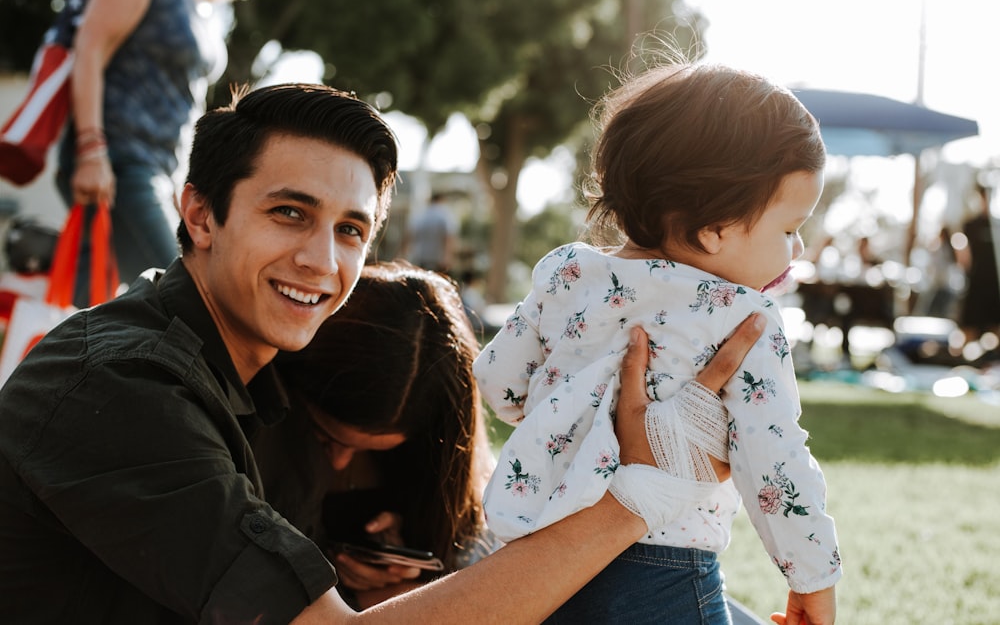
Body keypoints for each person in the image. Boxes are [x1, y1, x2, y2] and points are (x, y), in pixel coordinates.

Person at [0, 81, 768, 624]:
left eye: (350, 231)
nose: (320, 260)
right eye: (288, 212)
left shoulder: (255, 375)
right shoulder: (123, 381)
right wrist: (636, 497)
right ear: (200, 214)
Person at [474, 63, 842, 625]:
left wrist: (571, 421)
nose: (795, 250)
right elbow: (776, 458)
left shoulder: (567, 273)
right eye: (789, 229)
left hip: (541, 558)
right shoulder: (743, 318)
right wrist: (813, 581)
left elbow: (498, 381)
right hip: (661, 573)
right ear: (714, 227)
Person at [253, 261, 500, 609]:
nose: (339, 462)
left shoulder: (452, 479)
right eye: (326, 437)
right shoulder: (253, 437)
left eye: (374, 452)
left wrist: (406, 558)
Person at [56, 0, 259, 306]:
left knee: (97, 311)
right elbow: (89, 47)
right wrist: (91, 150)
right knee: (189, 299)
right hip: (119, 161)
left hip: (162, 170)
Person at [956, 184, 1000, 344]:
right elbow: (963, 259)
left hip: (995, 286)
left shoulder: (997, 225)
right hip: (977, 285)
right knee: (969, 329)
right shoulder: (970, 225)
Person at [402, 191, 458, 273]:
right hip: (438, 260)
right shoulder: (445, 214)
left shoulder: (420, 214)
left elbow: (409, 236)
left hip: (420, 258)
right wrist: (447, 257)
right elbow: (448, 237)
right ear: (442, 200)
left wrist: (404, 256)